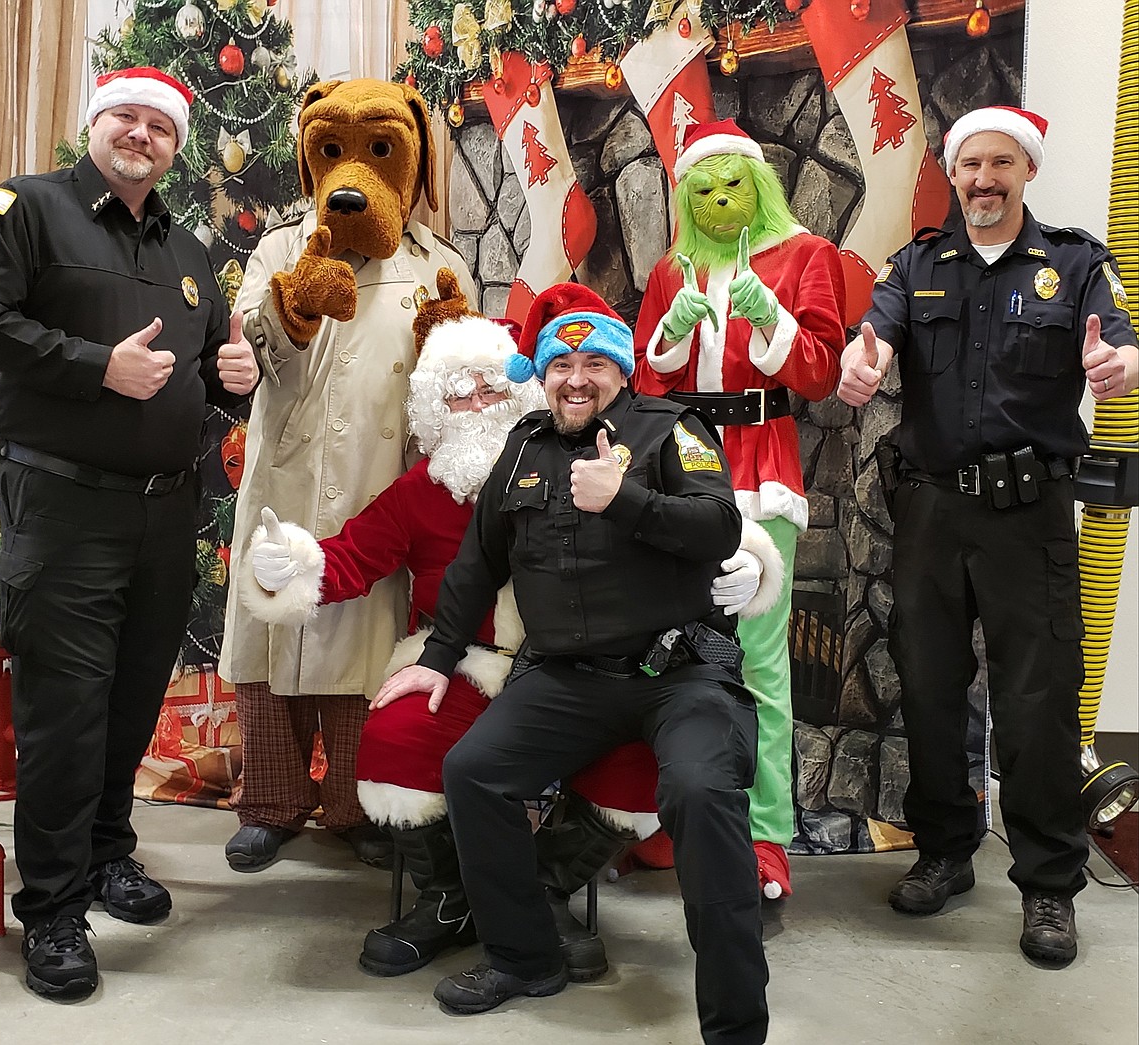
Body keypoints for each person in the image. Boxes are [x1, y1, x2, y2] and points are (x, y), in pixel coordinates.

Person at [242, 273, 781, 985]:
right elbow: (411, 559)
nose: (476, 405)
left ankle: (543, 889)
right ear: (437, 407)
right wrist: (294, 568)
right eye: (457, 393)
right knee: (418, 742)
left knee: (665, 772)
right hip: (495, 663)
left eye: (490, 388)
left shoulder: (645, 434)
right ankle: (458, 903)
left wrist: (743, 565)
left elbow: (714, 520)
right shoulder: (460, 476)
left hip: (626, 668)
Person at [375, 283, 773, 1044]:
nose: (577, 377)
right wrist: (437, 655)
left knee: (699, 790)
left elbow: (720, 524)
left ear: (621, 372)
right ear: (543, 372)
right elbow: (475, 562)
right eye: (562, 363)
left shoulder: (669, 430)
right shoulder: (523, 447)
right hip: (566, 677)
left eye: (595, 362)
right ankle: (526, 954)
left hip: (678, 674)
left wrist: (625, 500)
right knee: (474, 769)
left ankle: (734, 1023)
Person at [0, 66, 259, 999]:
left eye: (161, 126)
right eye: (126, 118)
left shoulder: (190, 248)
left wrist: (236, 377)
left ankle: (104, 856)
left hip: (165, 510)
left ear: (176, 143)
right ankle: (51, 909)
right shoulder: (25, 208)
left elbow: (201, 377)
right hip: (61, 507)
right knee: (64, 712)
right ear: (95, 123)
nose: (142, 135)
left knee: (133, 700)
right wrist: (97, 367)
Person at [836, 105, 1138, 966]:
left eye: (1000, 163)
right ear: (955, 173)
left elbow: (1121, 346)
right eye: (970, 165)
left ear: (1025, 171)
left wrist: (1120, 367)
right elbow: (874, 340)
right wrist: (863, 366)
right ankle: (943, 852)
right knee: (931, 686)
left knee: (1037, 699)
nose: (983, 180)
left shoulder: (1075, 263)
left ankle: (1048, 885)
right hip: (930, 510)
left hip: (1030, 514)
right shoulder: (918, 263)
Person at [218, 79, 476, 874]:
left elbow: (467, 377)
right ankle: (270, 800)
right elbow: (252, 345)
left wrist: (453, 340)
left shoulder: (437, 261)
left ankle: (355, 803)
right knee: (273, 634)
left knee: (364, 652)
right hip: (287, 476)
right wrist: (290, 306)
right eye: (333, 151)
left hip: (380, 483)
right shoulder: (278, 247)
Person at [633, 118, 846, 898]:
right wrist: (666, 334)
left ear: (759, 188)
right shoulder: (670, 269)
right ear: (688, 197)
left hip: (764, 472)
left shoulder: (807, 258)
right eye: (705, 190)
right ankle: (667, 817)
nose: (722, 200)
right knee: (667, 650)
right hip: (681, 471)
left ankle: (764, 841)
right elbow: (646, 388)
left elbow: (820, 376)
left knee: (759, 663)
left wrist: (771, 319)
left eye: (734, 186)